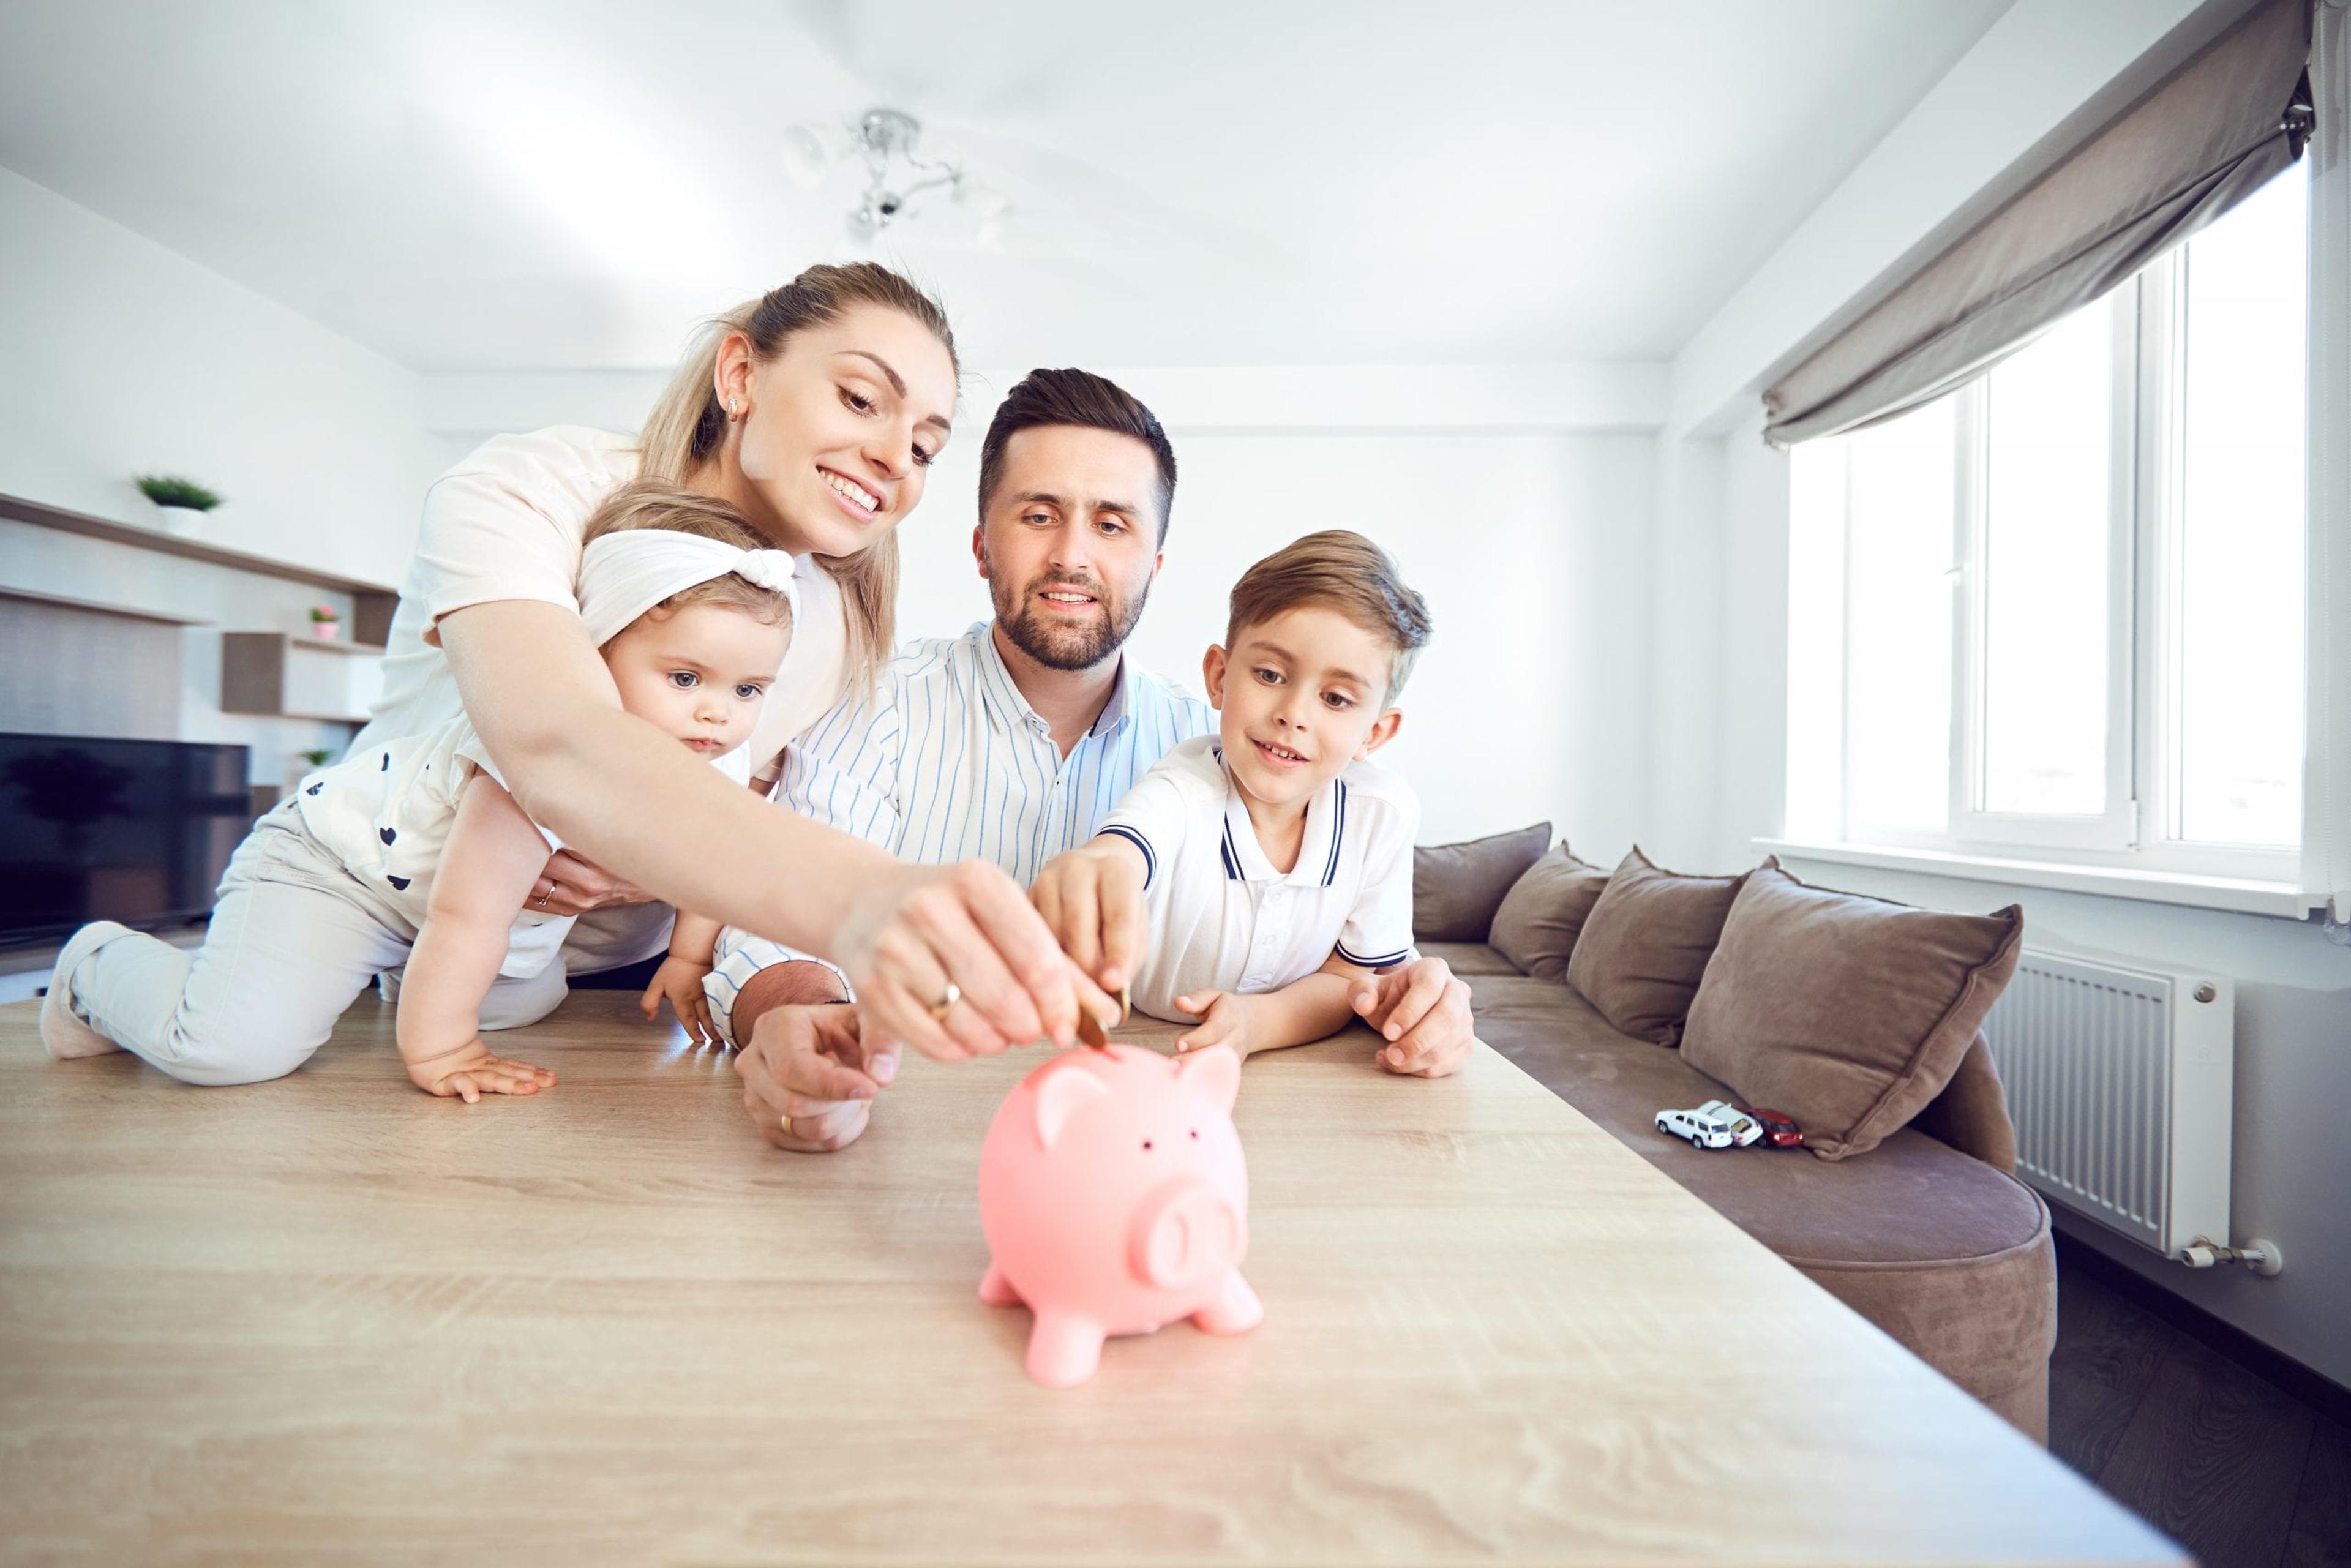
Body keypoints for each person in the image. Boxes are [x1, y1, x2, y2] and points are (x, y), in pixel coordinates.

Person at [354, 263, 1101, 1068]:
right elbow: (554, 741)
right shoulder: (527, 491)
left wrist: (653, 876)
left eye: (924, 446)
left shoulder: (834, 618)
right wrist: (862, 895)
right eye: (859, 400)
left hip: (615, 996)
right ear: (741, 375)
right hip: (398, 949)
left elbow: (742, 798)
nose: (894, 457)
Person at [725, 373, 1475, 1151]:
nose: (1072, 556)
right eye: (1040, 515)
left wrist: (1425, 1007)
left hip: (1145, 1155)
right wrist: (802, 1020)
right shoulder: (871, 705)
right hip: (908, 1145)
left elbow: (1348, 964)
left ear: (1155, 564)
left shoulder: (1236, 750)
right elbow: (774, 925)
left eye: (1112, 525)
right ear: (982, 545)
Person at [42, 488, 792, 1093]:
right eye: (686, 677)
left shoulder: (713, 752)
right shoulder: (534, 753)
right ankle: (95, 964)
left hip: (446, 906)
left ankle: (400, 976)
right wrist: (441, 1051)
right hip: (339, 871)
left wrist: (691, 958)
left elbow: (714, 863)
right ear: (591, 654)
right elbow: (467, 915)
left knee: (522, 999)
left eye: (749, 687)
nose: (718, 712)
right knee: (229, 1050)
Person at [1030, 530, 1472, 1075]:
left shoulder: (1380, 814)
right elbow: (1122, 851)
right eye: (1269, 675)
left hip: (1289, 1074)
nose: (1294, 713)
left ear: (1375, 733)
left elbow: (1350, 979)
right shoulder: (1185, 787)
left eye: (1335, 699)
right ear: (1219, 677)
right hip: (1141, 1057)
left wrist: (1255, 1023)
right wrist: (1092, 869)